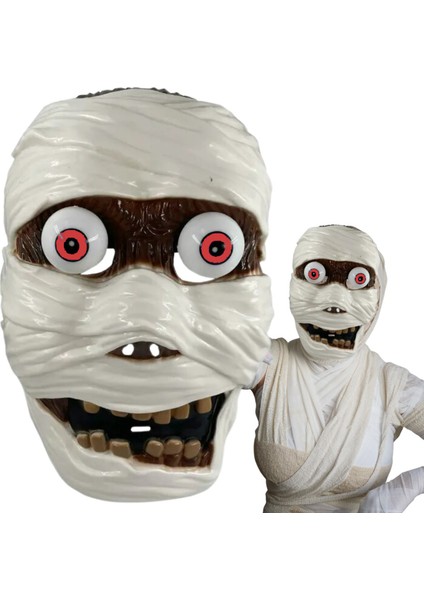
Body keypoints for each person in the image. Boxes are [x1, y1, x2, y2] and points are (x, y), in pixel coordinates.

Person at [252, 224, 424, 512]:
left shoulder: (391, 386)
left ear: (378, 297)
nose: (335, 303)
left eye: (359, 280)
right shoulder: (272, 363)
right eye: (314, 275)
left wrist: (408, 487)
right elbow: (201, 357)